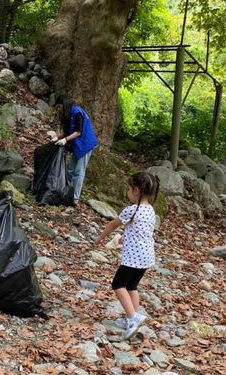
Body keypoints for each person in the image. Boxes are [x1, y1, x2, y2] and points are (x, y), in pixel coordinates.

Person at [95, 171, 159, 339]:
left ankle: (132, 318)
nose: (127, 193)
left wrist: (102, 237)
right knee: (132, 286)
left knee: (118, 284)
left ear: (136, 190)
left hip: (133, 258)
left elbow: (113, 224)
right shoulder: (150, 210)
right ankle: (132, 316)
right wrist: (126, 237)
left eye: (129, 189)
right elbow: (142, 231)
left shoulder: (131, 210)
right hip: (146, 258)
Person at [53, 96, 98, 205]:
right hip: (77, 145)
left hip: (85, 144)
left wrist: (65, 140)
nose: (59, 110)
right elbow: (69, 132)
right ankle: (67, 192)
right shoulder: (69, 114)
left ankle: (74, 198)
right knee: (70, 169)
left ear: (64, 104)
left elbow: (78, 132)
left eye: (59, 107)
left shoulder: (77, 112)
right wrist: (58, 138)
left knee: (79, 172)